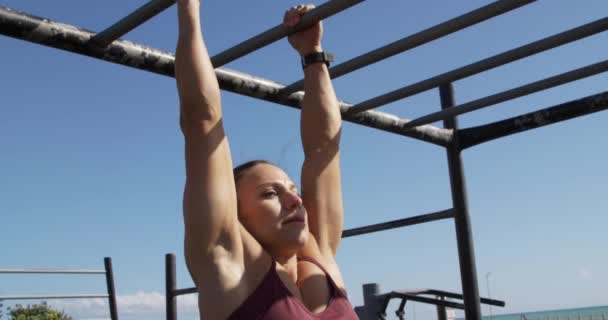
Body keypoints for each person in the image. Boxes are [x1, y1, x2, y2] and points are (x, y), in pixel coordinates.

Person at [176, 1, 359, 319]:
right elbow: (201, 119)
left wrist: (312, 53)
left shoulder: (321, 257)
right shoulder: (228, 266)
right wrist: (188, 9)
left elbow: (324, 149)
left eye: (290, 189)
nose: (295, 200)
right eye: (270, 194)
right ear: (235, 214)